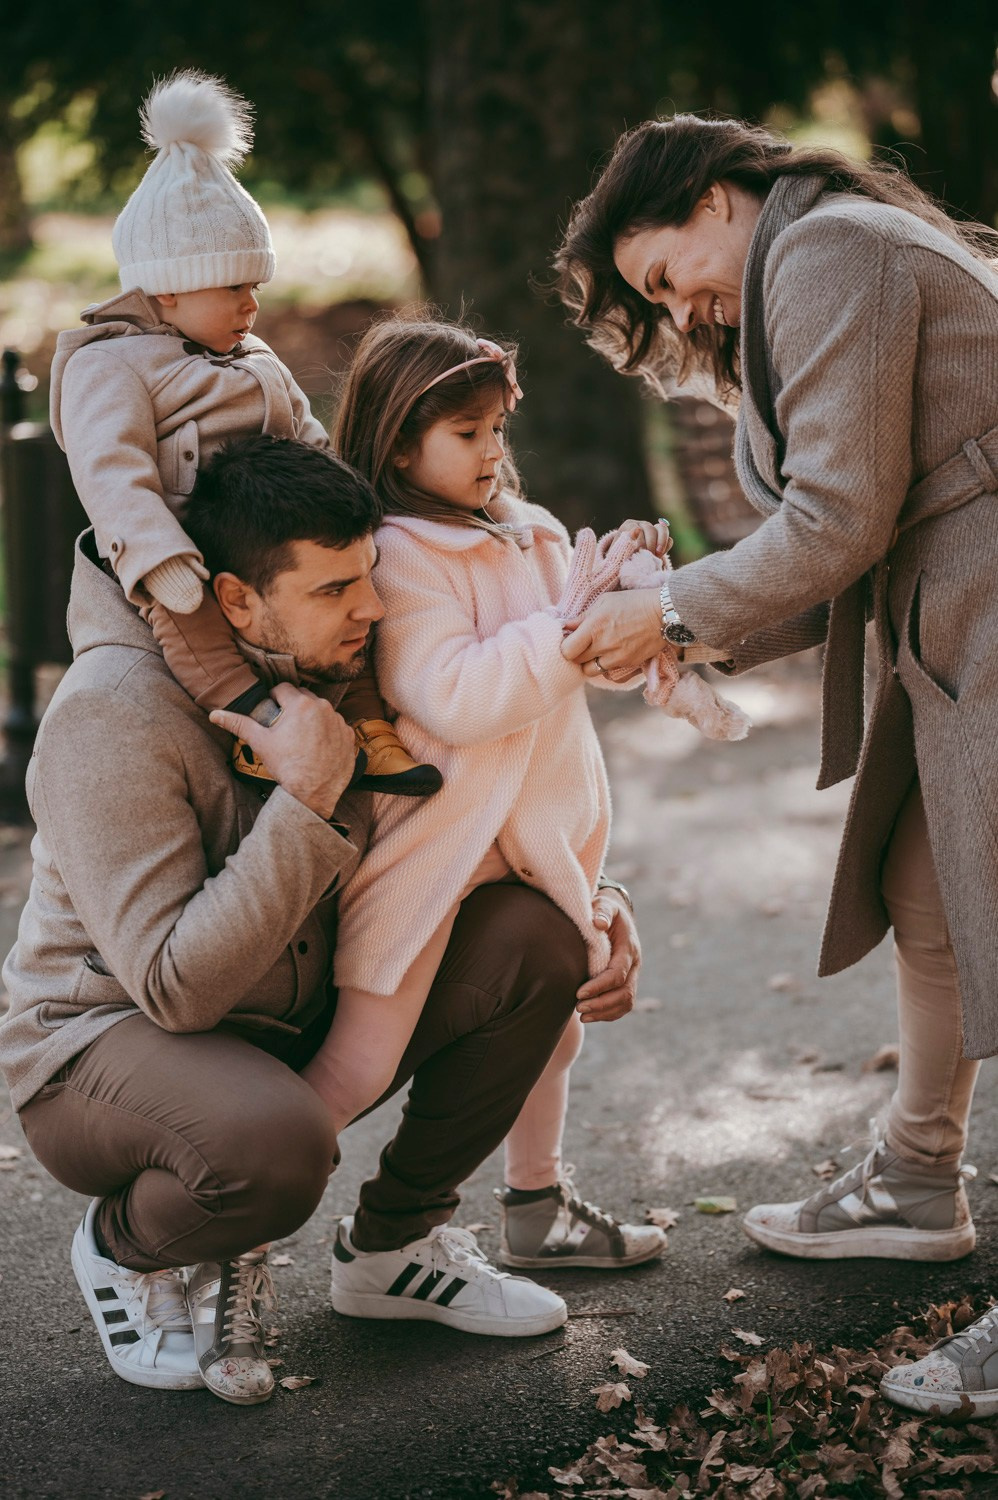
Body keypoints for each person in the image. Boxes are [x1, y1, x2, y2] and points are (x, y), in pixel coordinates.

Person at [0, 435, 642, 1408]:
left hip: (281, 1018)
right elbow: (174, 989)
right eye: (336, 588)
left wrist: (599, 901)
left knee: (536, 941)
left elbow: (482, 799)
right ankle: (128, 1247)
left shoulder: (343, 668)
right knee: (274, 1144)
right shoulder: (112, 714)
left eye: (369, 576)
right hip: (101, 1047)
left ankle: (395, 1248)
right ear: (235, 600)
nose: (371, 608)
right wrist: (306, 799)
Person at [553, 112, 998, 1414]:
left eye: (662, 274)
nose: (677, 309)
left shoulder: (826, 249)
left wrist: (670, 609)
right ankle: (912, 1179)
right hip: (952, 625)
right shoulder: (811, 262)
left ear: (713, 193)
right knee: (924, 892)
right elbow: (846, 541)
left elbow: (834, 518)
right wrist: (686, 633)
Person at [301, 313, 667, 1272]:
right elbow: (455, 696)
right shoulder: (397, 554)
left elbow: (585, 664)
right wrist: (572, 624)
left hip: (536, 839)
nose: (493, 451)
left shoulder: (532, 534)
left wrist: (632, 602)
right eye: (466, 433)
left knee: (555, 1031)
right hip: (437, 853)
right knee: (358, 1065)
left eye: (498, 428)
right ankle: (232, 1212)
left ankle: (537, 1203)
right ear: (397, 441)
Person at [50, 67, 436, 797]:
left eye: (255, 286)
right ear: (168, 285)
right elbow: (110, 471)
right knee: (193, 624)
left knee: (349, 605)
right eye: (234, 286)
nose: (252, 306)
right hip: (184, 548)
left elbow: (305, 431)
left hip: (269, 525)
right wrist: (160, 557)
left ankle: (369, 726)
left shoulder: (252, 357)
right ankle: (258, 722)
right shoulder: (112, 366)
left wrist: (341, 499)